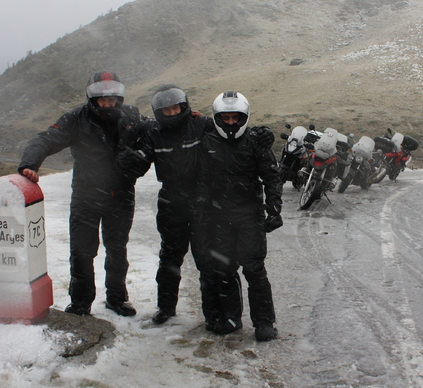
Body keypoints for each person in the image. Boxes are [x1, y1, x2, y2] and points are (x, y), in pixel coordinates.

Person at [118, 84, 274, 327]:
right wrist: (127, 148)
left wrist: (263, 133)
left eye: (176, 108)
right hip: (171, 203)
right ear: (159, 112)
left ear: (184, 106)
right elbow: (136, 167)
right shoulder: (154, 134)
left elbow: (231, 127)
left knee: (208, 261)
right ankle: (166, 307)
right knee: (170, 258)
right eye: (166, 110)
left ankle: (214, 315)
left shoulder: (202, 125)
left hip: (205, 202)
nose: (172, 113)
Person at [18, 71, 149, 317]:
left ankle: (117, 298)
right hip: (86, 195)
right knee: (81, 251)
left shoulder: (131, 115)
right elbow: (46, 139)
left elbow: (159, 129)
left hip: (121, 194)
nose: (107, 104)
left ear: (119, 97)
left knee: (117, 249)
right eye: (102, 99)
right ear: (92, 98)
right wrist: (30, 164)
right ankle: (80, 302)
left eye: (111, 99)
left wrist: (191, 121)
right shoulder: (75, 119)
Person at [193, 91, 283, 342]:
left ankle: (264, 322)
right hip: (218, 216)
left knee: (254, 269)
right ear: (217, 118)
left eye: (236, 118)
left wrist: (274, 208)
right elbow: (202, 180)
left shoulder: (256, 141)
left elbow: (271, 176)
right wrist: (200, 208)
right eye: (226, 118)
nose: (231, 122)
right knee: (224, 269)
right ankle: (232, 318)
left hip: (249, 214)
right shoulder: (208, 142)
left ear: (245, 117)